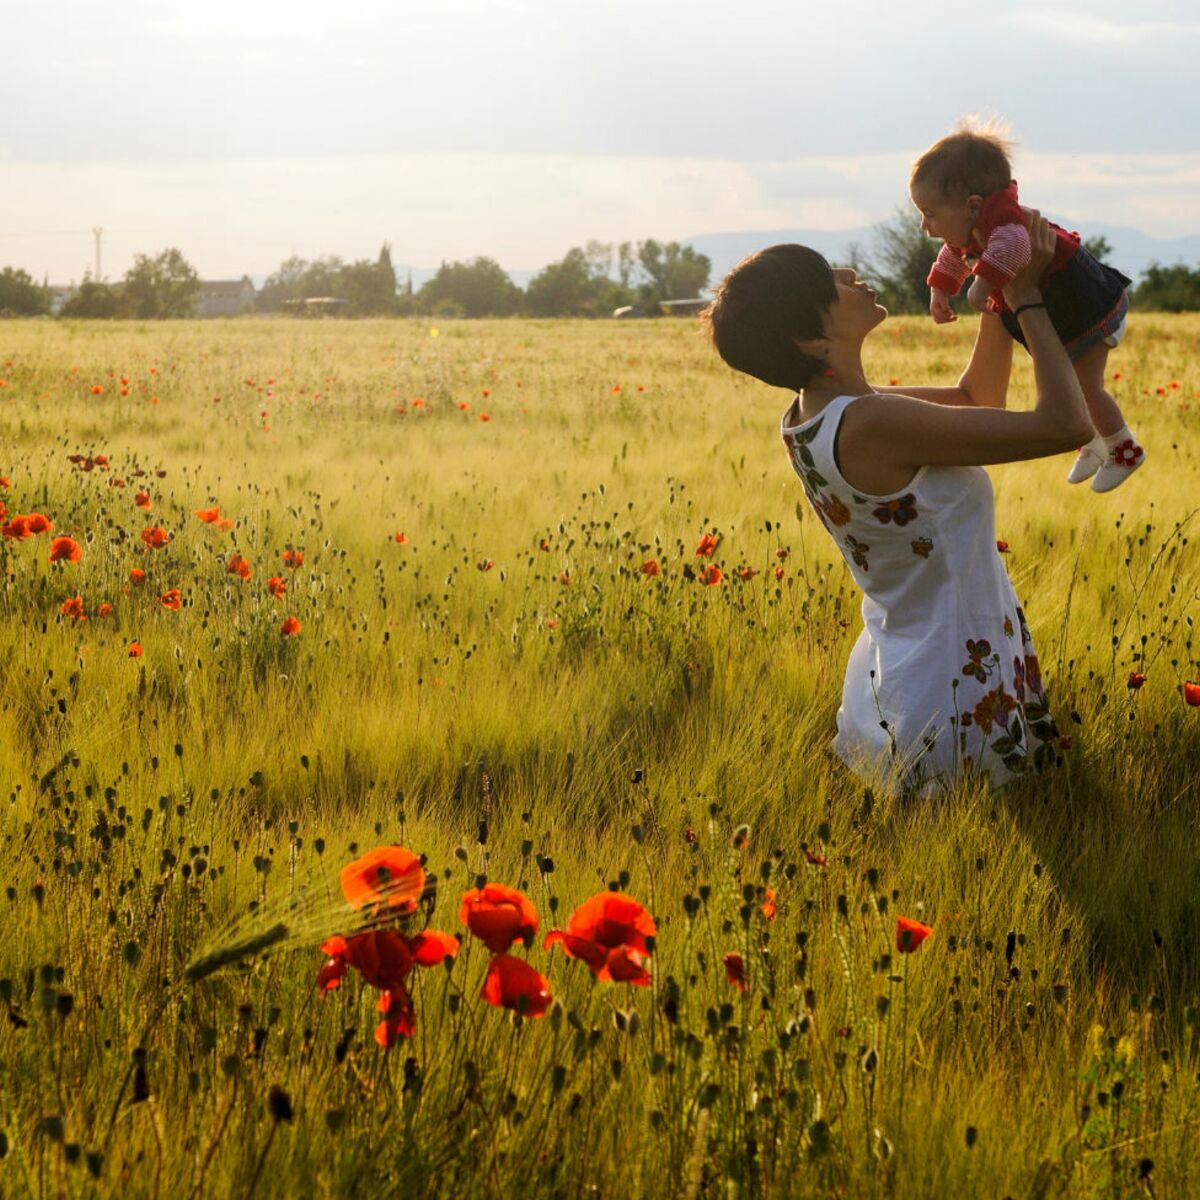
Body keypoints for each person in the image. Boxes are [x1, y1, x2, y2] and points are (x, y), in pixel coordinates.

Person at [702, 214, 1090, 795]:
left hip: (916, 666)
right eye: (826, 279)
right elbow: (1067, 424)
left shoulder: (818, 416)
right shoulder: (872, 421)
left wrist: (998, 287)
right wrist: (1029, 297)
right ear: (811, 339)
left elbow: (975, 399)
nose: (848, 272)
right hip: (956, 686)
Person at [910, 125, 1142, 493]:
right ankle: (1093, 443)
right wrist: (941, 287)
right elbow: (952, 254)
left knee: (1083, 385)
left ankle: (1123, 447)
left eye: (930, 214)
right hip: (1068, 313)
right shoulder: (971, 224)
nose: (924, 225)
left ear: (972, 205)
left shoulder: (1005, 224)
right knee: (1061, 380)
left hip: (1092, 310)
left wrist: (980, 286)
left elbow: (1014, 250)